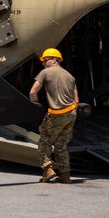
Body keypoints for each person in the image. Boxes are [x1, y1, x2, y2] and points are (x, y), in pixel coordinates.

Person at [29, 48, 79, 183]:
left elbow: (33, 92)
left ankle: (47, 169)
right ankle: (65, 175)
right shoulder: (70, 76)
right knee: (61, 144)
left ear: (53, 60)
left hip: (57, 113)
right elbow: (76, 100)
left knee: (44, 141)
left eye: (45, 60)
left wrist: (35, 105)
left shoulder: (45, 73)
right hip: (71, 113)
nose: (43, 64)